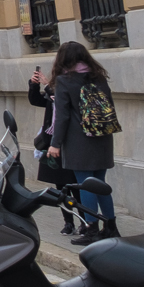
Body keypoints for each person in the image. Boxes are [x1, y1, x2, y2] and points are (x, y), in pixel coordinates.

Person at [46, 41, 119, 244]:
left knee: (86, 186)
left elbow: (61, 117)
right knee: (101, 185)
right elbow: (109, 106)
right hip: (103, 138)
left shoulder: (64, 81)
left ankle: (91, 231)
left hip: (79, 141)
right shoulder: (98, 77)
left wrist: (55, 144)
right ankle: (111, 227)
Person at [29, 62, 79, 236]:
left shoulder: (63, 92)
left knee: (77, 187)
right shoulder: (52, 93)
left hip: (69, 144)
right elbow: (35, 100)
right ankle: (68, 222)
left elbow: (63, 104)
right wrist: (34, 86)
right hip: (53, 144)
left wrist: (49, 86)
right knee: (61, 187)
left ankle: (86, 223)